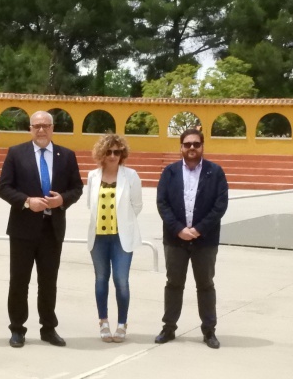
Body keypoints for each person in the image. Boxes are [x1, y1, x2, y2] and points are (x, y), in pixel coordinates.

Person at [0, 111, 83, 348]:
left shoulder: (66, 155)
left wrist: (62, 200)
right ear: (30, 128)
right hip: (23, 228)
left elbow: (77, 188)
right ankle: (17, 329)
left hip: (52, 229)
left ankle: (48, 328)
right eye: (37, 126)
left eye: (46, 126)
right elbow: (4, 188)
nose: (41, 130)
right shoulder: (16, 153)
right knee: (19, 281)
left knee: (48, 282)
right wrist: (27, 201)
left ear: (53, 128)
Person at [155, 128, 229, 349]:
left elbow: (220, 205)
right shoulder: (170, 172)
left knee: (205, 285)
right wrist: (179, 229)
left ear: (202, 146)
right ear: (181, 147)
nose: (191, 148)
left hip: (204, 240)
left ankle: (209, 331)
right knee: (174, 284)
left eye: (196, 144)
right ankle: (169, 328)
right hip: (175, 239)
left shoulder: (215, 172)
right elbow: (162, 203)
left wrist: (197, 230)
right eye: (187, 144)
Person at [85, 134, 142, 343]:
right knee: (101, 280)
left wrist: (123, 223)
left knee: (121, 281)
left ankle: (121, 324)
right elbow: (89, 204)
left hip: (121, 238)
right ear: (101, 153)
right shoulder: (92, 176)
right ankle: (104, 322)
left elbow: (137, 205)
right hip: (98, 237)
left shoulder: (131, 175)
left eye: (117, 152)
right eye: (108, 152)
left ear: (122, 154)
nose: (112, 156)